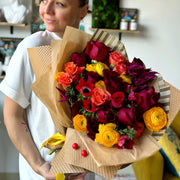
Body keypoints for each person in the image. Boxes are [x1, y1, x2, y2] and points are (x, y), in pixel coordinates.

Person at [0, 0, 89, 180]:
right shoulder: (31, 47)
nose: (46, 10)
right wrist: (38, 165)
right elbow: (12, 115)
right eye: (43, 0)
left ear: (83, 11)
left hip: (84, 169)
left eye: (59, 4)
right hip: (44, 172)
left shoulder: (94, 50)